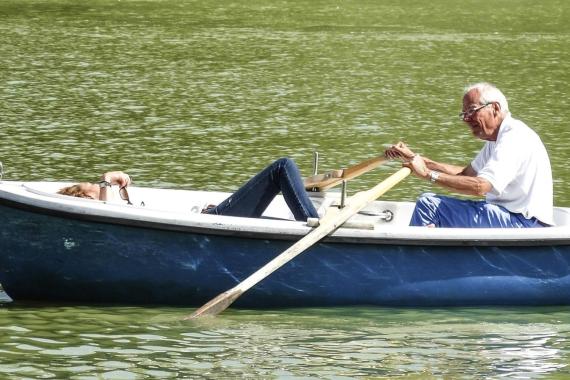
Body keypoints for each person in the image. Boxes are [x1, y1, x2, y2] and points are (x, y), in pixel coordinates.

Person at [385, 82, 553, 228]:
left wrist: (428, 174)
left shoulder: (514, 137)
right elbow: (466, 175)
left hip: (522, 223)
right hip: (511, 218)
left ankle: (418, 262)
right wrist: (416, 158)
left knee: (428, 205)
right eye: (464, 114)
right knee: (432, 205)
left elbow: (480, 187)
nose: (466, 119)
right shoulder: (497, 138)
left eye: (472, 111)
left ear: (495, 108)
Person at [58, 158, 319, 221]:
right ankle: (314, 224)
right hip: (216, 220)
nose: (100, 187)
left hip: (214, 216)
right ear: (86, 201)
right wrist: (106, 178)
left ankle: (311, 224)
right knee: (282, 167)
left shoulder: (116, 206)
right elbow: (103, 213)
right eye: (94, 188)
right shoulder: (104, 213)